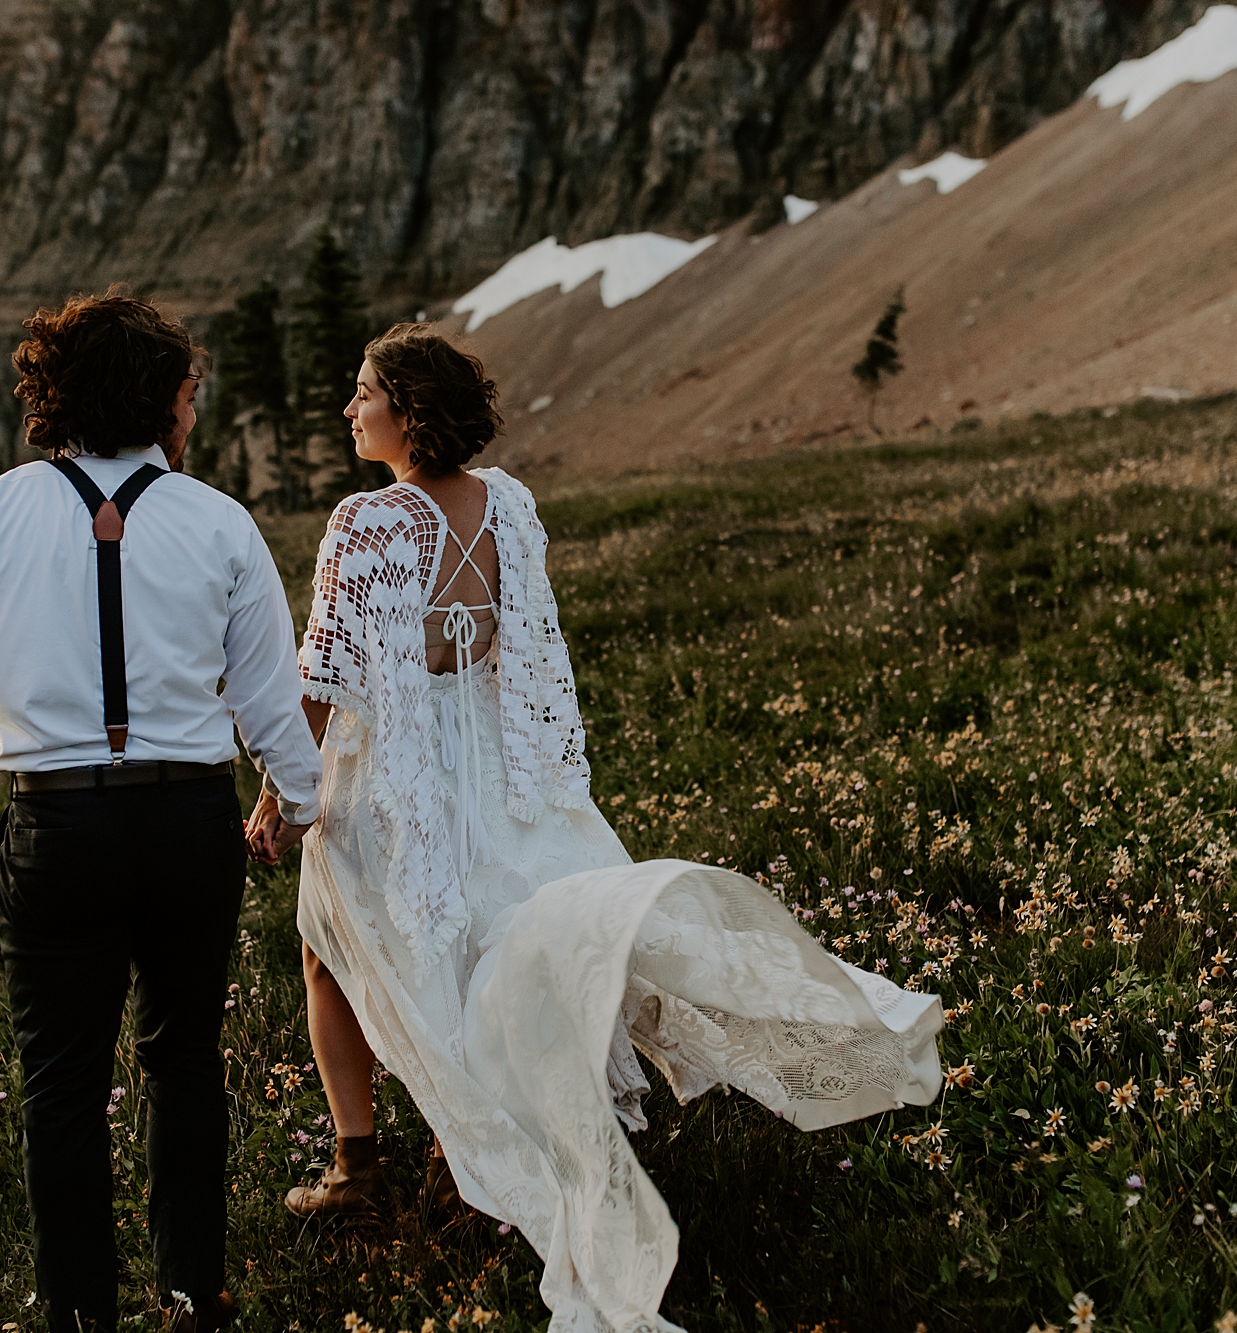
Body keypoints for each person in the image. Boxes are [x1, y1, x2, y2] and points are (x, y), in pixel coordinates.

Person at [246, 324, 945, 1331]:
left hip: (395, 774)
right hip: (496, 772)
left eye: (362, 394)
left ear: (406, 410)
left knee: (335, 953)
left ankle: (362, 1168)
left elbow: (321, 681)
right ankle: (456, 1158)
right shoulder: (508, 506)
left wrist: (276, 797)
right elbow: (516, 643)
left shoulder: (365, 524)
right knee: (495, 953)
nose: (348, 410)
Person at [0, 289, 321, 1333]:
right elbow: (269, 700)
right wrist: (297, 802)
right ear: (155, 398)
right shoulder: (219, 522)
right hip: (186, 823)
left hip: (57, 831)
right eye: (186, 392)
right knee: (182, 1061)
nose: (193, 412)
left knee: (60, 1081)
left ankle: (81, 1313)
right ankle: (190, 1291)